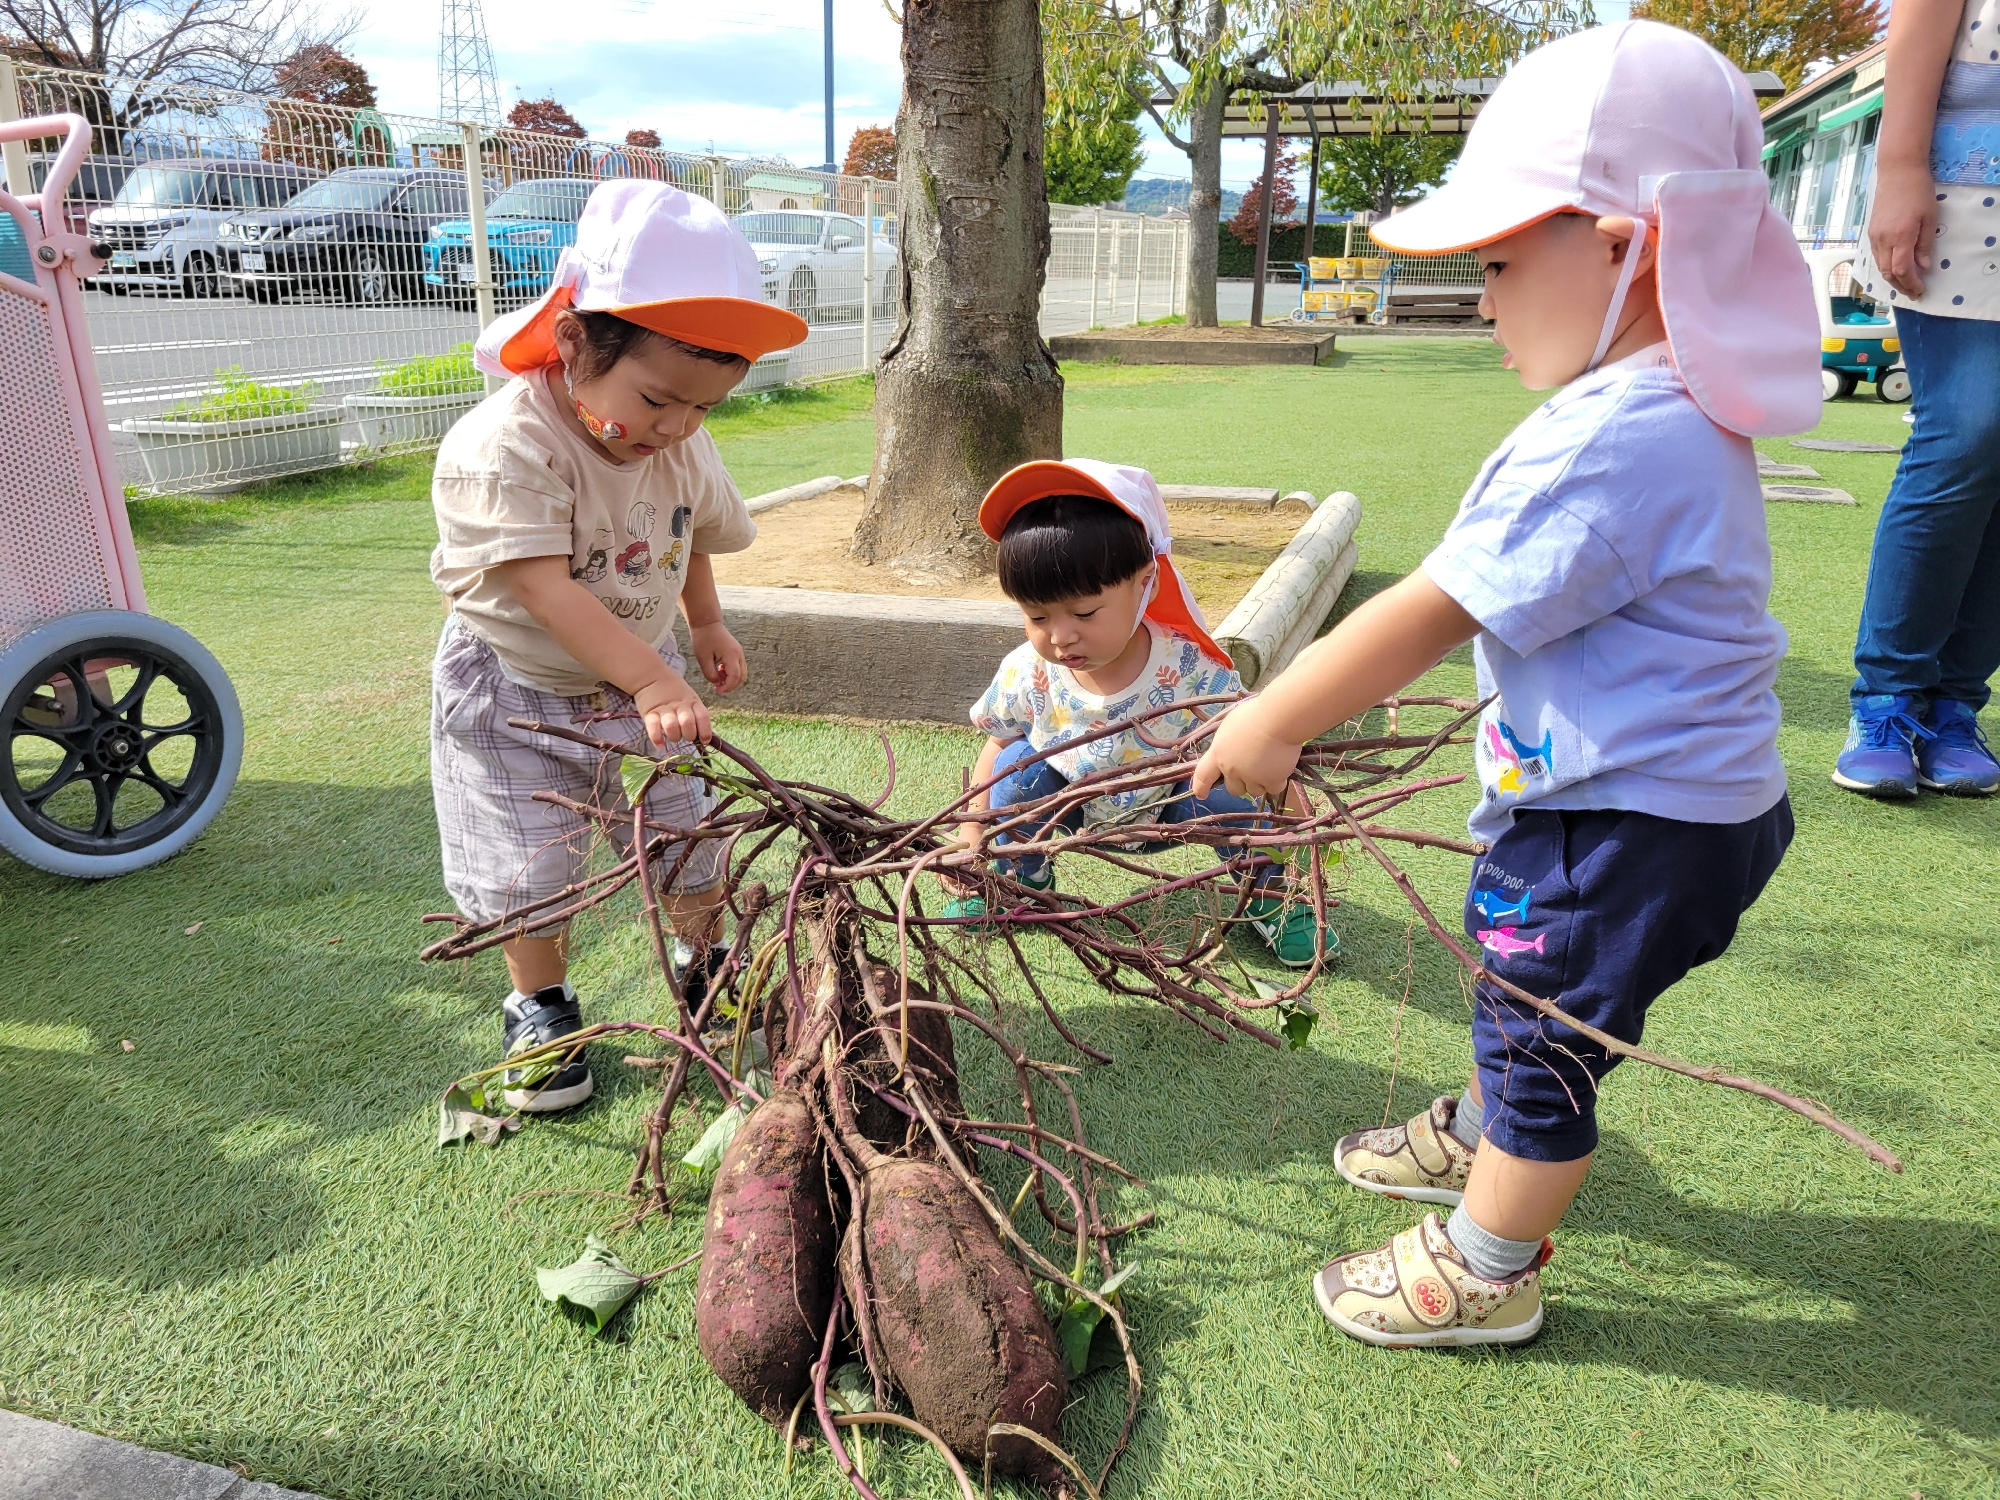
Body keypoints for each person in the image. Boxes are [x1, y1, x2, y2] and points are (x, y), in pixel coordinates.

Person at [1193, 21, 1818, 1345]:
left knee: (1544, 1027)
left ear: (1623, 244)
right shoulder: (1674, 400)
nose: (1483, 300)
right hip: (1682, 810)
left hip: (1625, 824)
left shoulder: (1616, 434)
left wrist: (1272, 717)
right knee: (1533, 988)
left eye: (1495, 262)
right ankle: (1483, 1127)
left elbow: (1432, 609)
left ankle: (1490, 1263)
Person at [428, 180, 807, 1111]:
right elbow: (541, 588)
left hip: (645, 679)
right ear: (572, 342)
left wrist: (705, 623)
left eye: (703, 408)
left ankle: (703, 960)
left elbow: (688, 536)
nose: (676, 427)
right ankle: (539, 1003)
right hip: (518, 687)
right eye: (655, 398)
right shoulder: (506, 445)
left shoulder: (675, 444)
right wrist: (647, 676)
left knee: (690, 825)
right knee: (533, 861)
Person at [943, 458, 1334, 968]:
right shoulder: (1027, 673)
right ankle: (1019, 876)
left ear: (1144, 582)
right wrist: (974, 835)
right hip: (1072, 806)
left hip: (1172, 806)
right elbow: (995, 747)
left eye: (1084, 613)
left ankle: (1270, 893)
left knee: (1235, 791)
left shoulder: (1187, 666)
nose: (1060, 637)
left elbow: (1254, 740)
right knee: (1017, 765)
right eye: (1037, 616)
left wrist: (1294, 827)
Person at [1839, 0, 2000, 798]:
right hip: (1968, 199)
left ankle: (1955, 707)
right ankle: (1888, 700)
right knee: (1966, 428)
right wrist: (1899, 165)